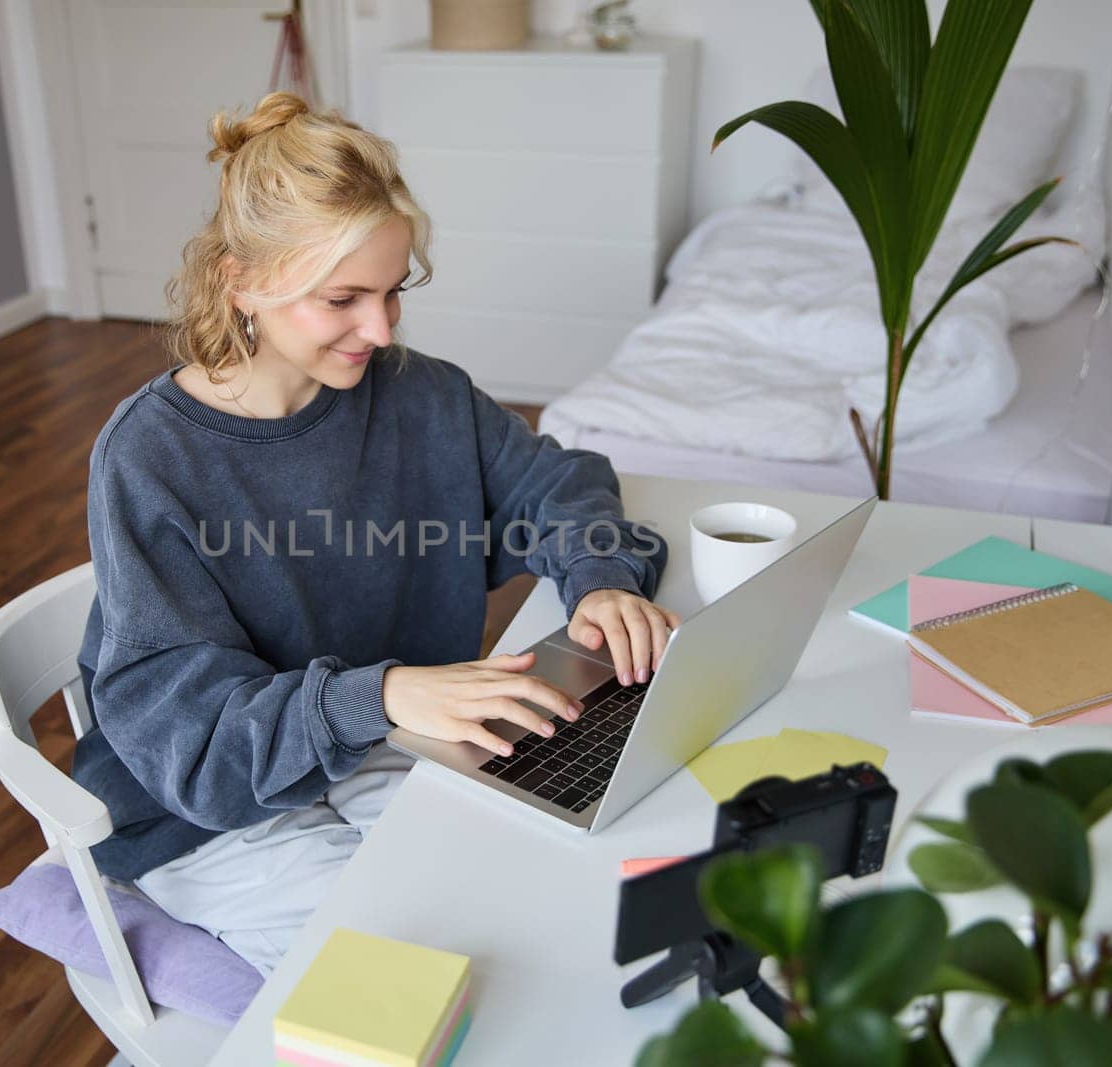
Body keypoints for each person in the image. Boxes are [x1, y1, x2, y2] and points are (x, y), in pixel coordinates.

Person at [72, 92, 680, 977]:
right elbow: (193, 744)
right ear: (242, 280)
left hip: (378, 740)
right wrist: (386, 695)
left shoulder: (420, 395)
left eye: (395, 292)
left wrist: (602, 578)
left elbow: (558, 483)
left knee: (538, 901)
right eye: (344, 298)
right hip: (207, 811)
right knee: (408, 967)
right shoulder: (151, 456)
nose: (381, 328)